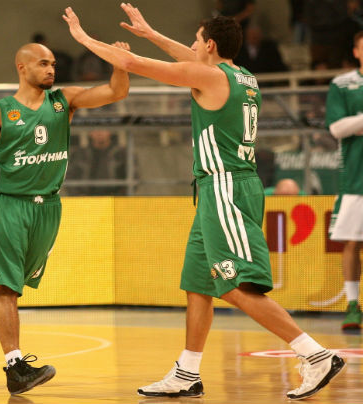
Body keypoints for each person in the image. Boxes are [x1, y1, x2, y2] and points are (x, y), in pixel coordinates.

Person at [63, 4, 344, 400]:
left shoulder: (209, 76)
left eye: (196, 41)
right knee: (198, 283)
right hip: (223, 187)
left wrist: (82, 37)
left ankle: (314, 354)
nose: (192, 46)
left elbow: (130, 62)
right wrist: (152, 34)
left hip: (224, 187)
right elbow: (189, 60)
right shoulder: (243, 76)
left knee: (232, 286)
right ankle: (187, 373)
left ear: (210, 45)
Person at [0, 42, 129, 395]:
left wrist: (120, 65)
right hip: (7, 206)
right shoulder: (0, 112)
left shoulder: (64, 101)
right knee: (6, 287)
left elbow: (115, 92)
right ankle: (15, 366)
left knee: (9, 290)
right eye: (43, 63)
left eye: (53, 64)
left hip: (47, 208)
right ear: (22, 67)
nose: (51, 69)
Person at [325, 30, 363, 330]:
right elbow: (337, 128)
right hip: (356, 177)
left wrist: (357, 123)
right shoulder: (342, 84)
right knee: (352, 241)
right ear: (356, 51)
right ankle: (352, 306)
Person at [68, 129, 129, 195]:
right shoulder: (79, 154)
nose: (99, 133)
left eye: (103, 128)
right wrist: (79, 197)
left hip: (115, 198)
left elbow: (133, 177)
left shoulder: (122, 154)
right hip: (85, 198)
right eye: (95, 129)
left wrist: (120, 196)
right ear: (90, 133)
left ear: (110, 131)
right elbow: (69, 178)